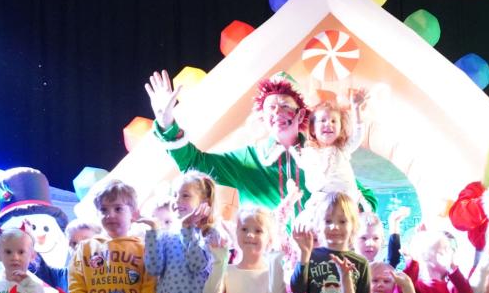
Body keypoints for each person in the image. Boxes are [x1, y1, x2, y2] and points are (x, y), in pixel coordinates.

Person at [146, 71, 369, 213]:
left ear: (300, 114)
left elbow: (364, 196)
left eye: (285, 106)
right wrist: (167, 124)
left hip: (321, 260)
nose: (277, 112)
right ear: (263, 117)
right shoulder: (247, 160)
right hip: (267, 263)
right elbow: (194, 162)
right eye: (271, 107)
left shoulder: (321, 155)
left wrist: (345, 216)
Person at [143, 171, 229, 293]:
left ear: (204, 202)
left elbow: (197, 264)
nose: (177, 200)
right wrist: (152, 233)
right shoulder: (166, 234)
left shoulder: (210, 233)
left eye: (185, 195)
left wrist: (187, 229)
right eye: (175, 195)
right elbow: (153, 268)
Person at [297, 90, 369, 214]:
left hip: (346, 200)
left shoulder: (342, 148)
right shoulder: (309, 152)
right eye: (322, 120)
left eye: (333, 121)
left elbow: (358, 135)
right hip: (321, 201)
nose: (328, 124)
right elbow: (302, 165)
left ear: (340, 129)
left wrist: (356, 108)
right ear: (313, 129)